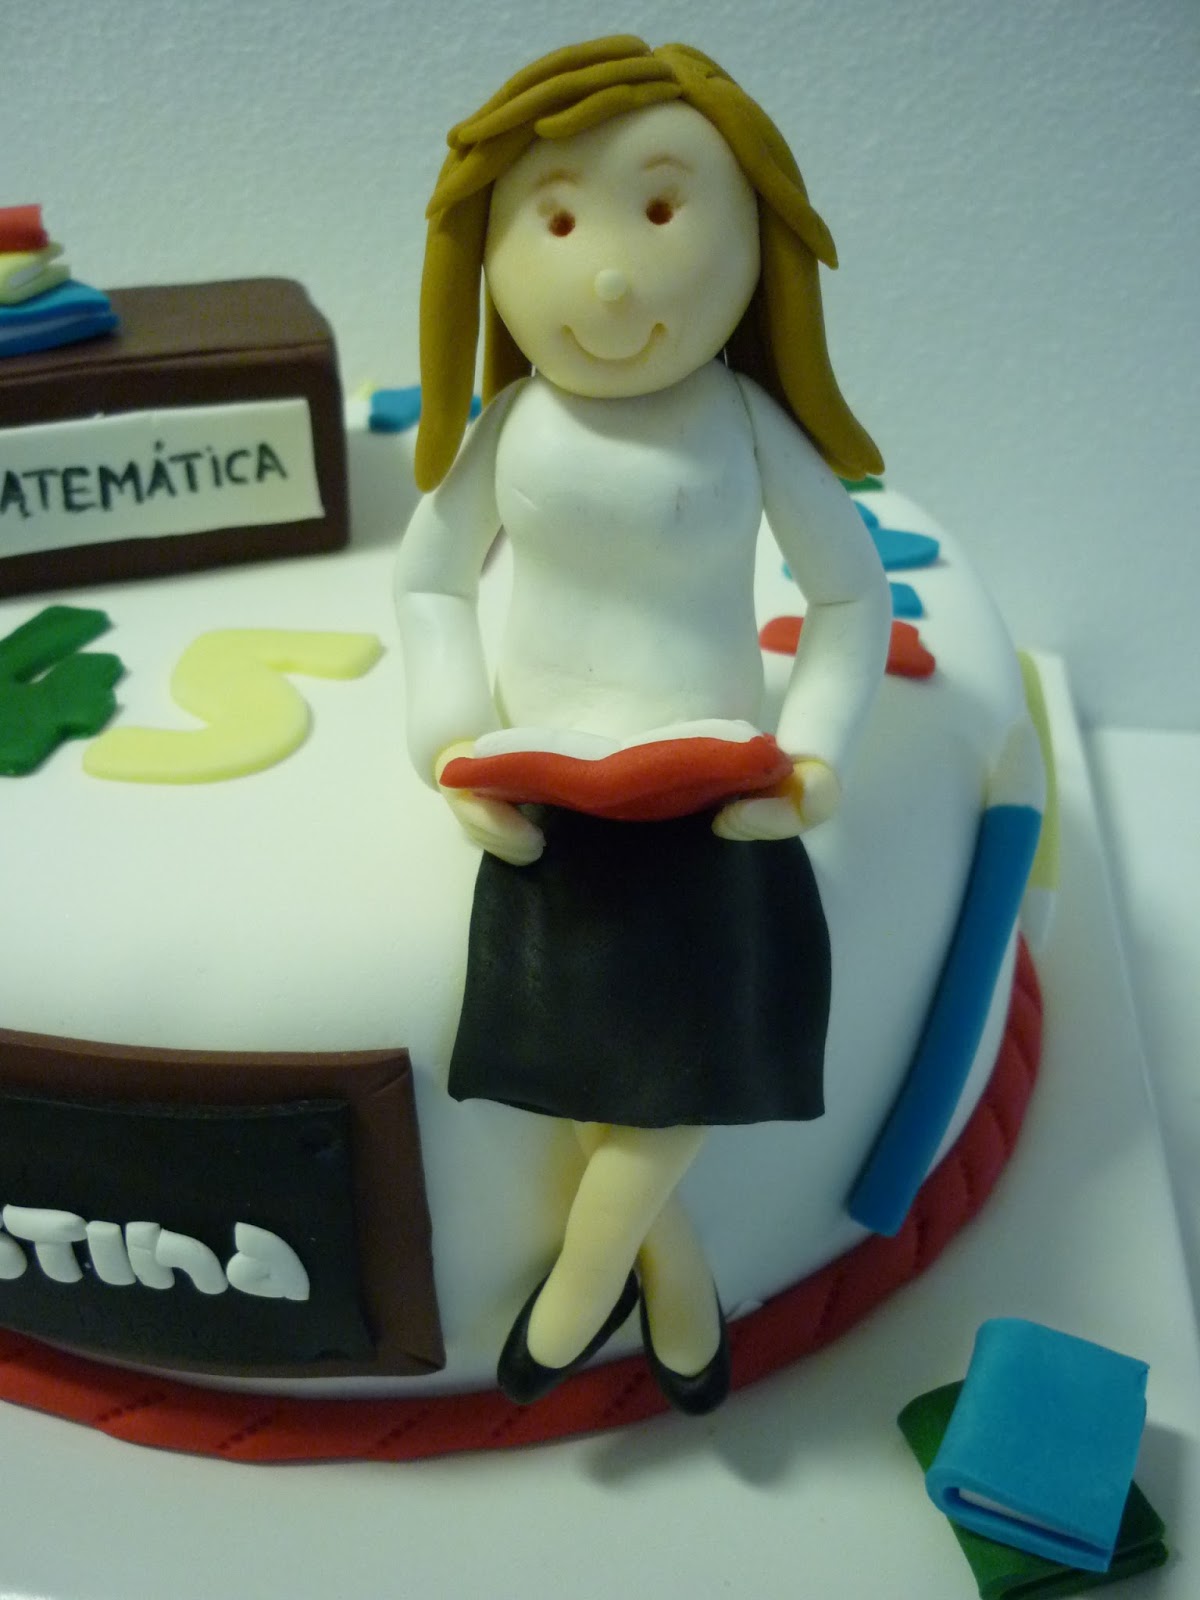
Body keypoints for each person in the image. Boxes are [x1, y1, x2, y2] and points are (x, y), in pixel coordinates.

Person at [395, 36, 890, 1414]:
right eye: (558, 222)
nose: (610, 277)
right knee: (578, 1053)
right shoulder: (508, 427)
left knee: (692, 1055)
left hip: (718, 798)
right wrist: (447, 738)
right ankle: (672, 1273)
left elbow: (850, 597)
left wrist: (819, 751)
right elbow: (431, 584)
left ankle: (586, 1270)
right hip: (542, 796)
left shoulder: (744, 422)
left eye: (661, 209)